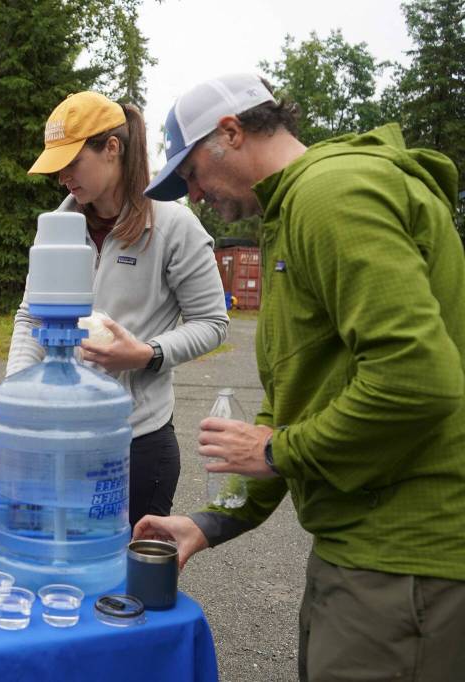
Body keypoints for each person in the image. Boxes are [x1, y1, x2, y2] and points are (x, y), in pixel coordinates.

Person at [135, 73, 465, 681]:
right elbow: (299, 401)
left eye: (193, 174)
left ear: (230, 132)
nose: (195, 194)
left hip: (403, 561)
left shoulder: (331, 195)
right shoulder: (295, 211)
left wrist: (278, 450)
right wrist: (210, 523)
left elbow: (416, 379)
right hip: (358, 551)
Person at [4, 91, 228, 526]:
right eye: (57, 166)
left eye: (72, 162)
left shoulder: (173, 225)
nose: (63, 177)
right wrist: (16, 391)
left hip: (135, 443)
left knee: (127, 583)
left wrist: (146, 353)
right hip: (60, 437)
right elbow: (31, 317)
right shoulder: (54, 229)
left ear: (112, 148)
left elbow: (213, 322)